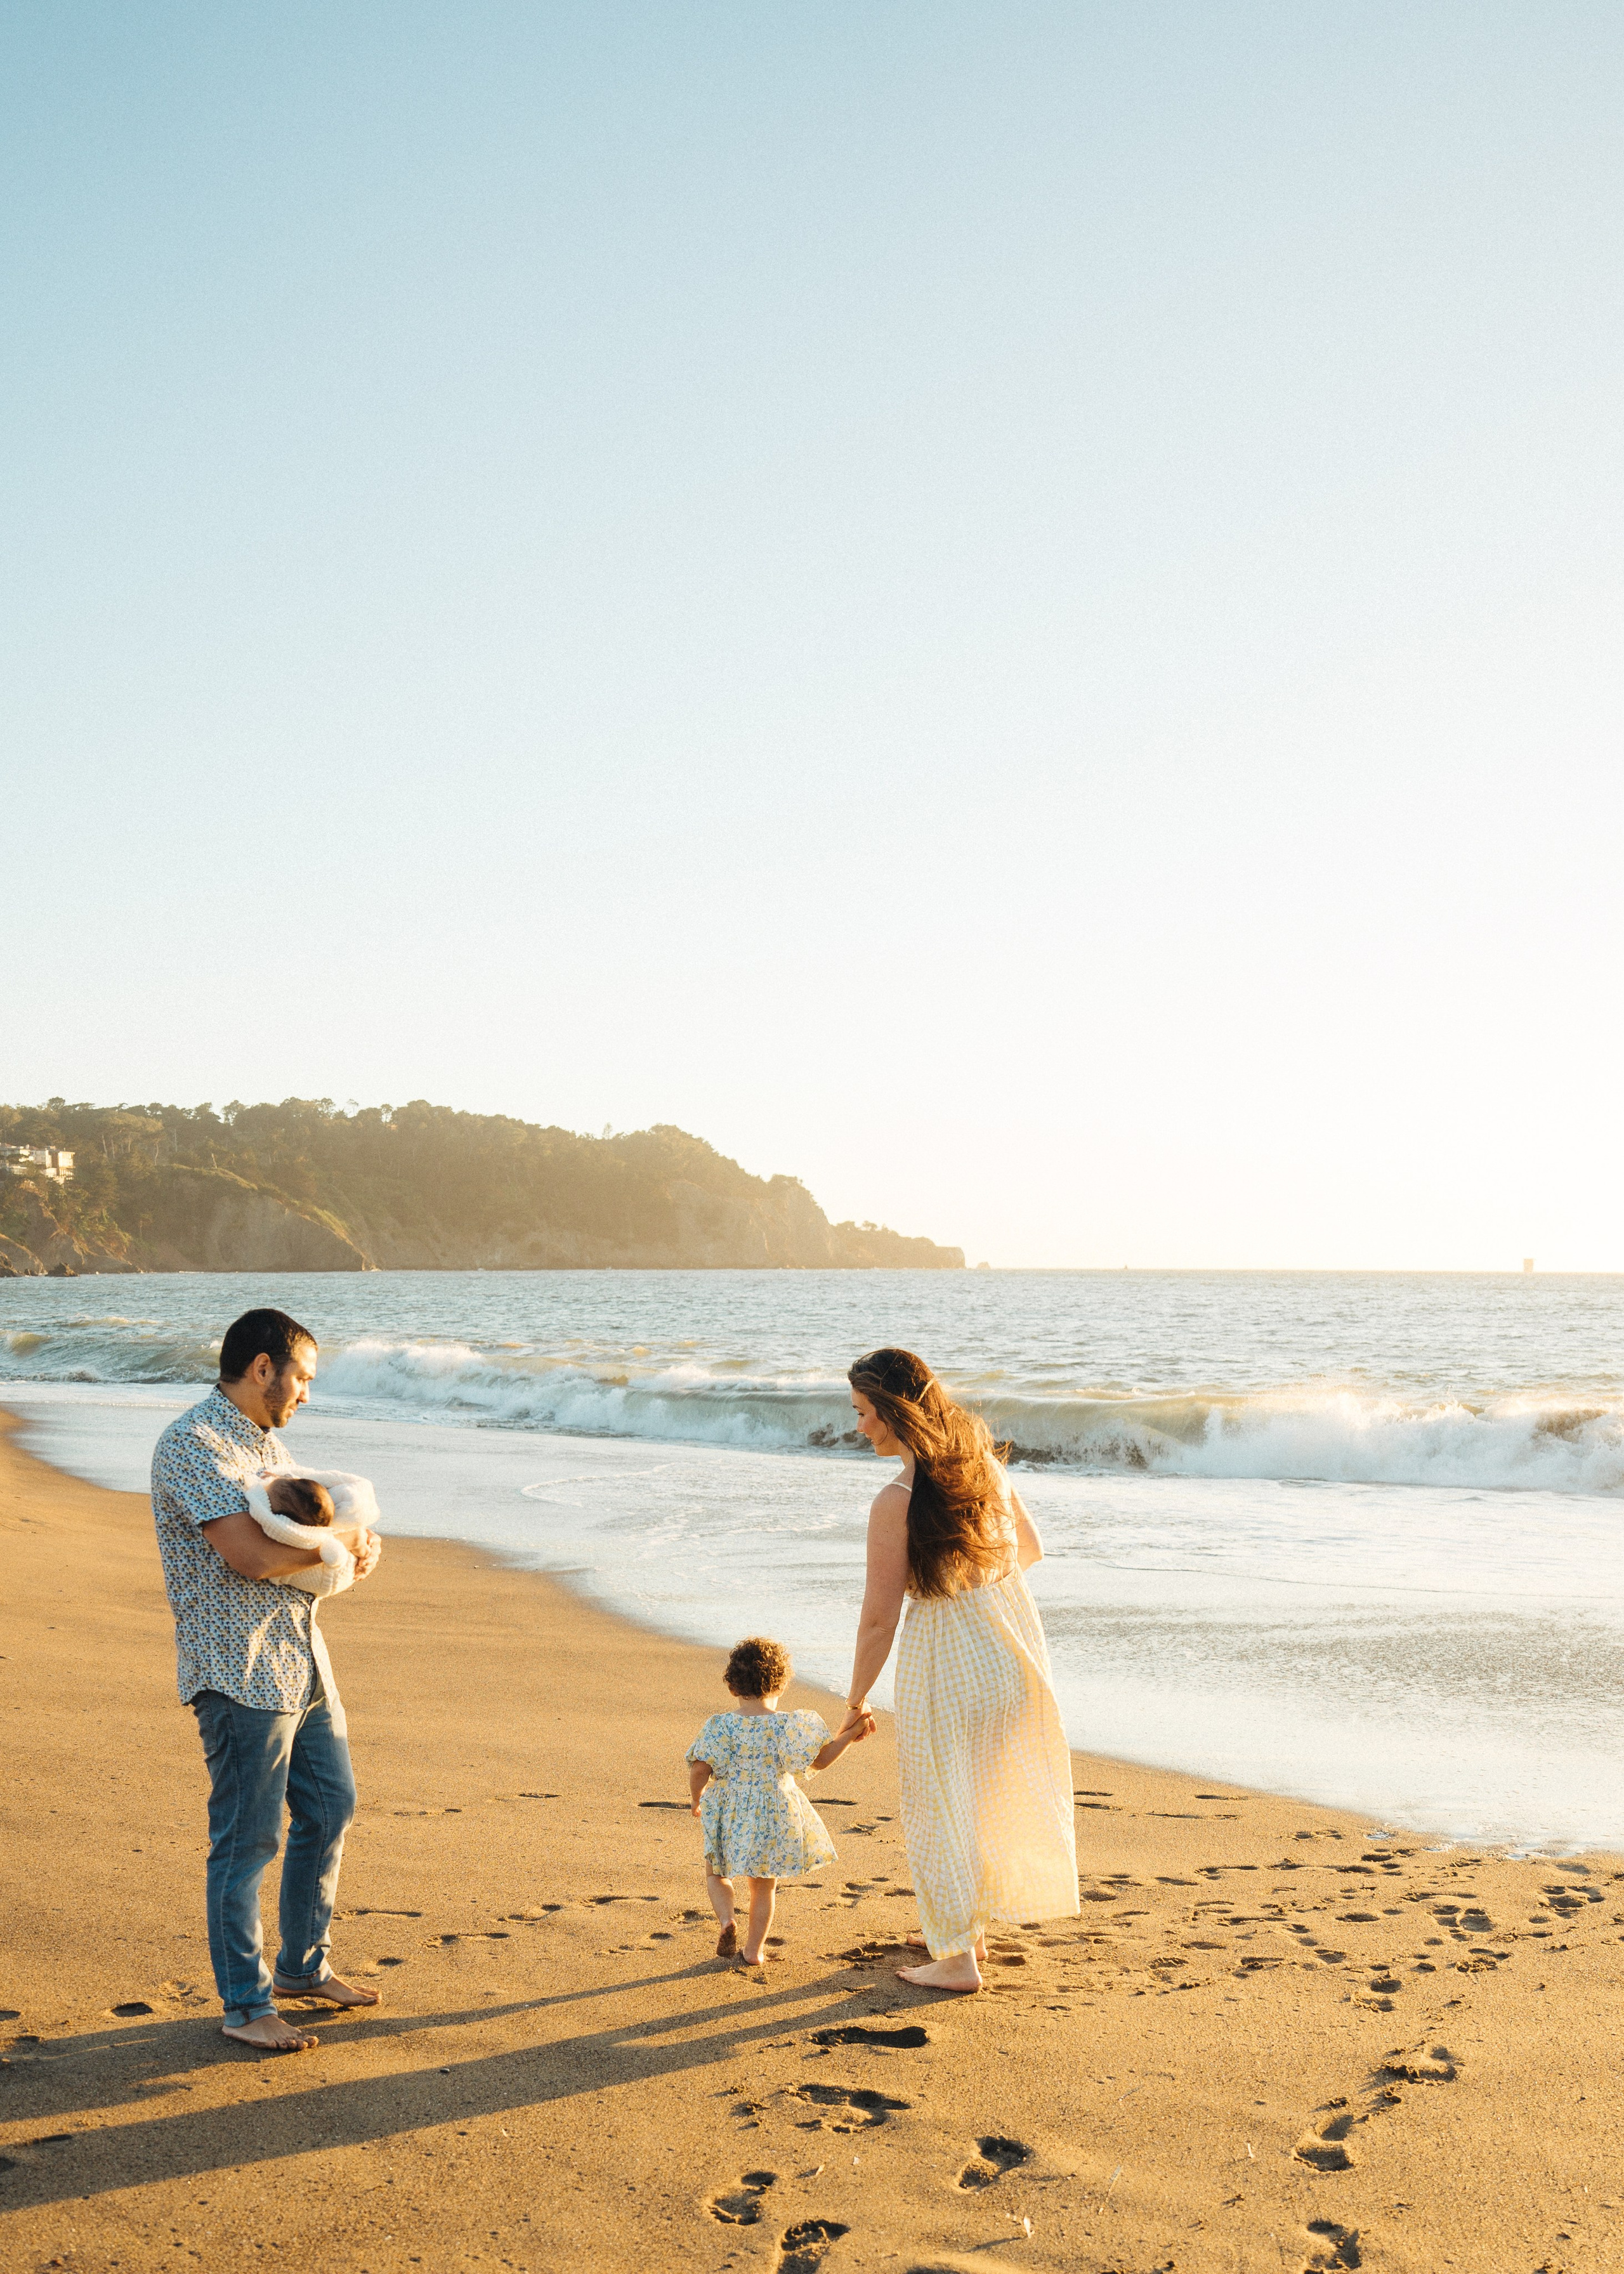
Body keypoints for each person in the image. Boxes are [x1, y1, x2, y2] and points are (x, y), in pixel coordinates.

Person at [150, 1307, 383, 2053]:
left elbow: (302, 1539)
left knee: (331, 1807)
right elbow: (250, 1555)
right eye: (302, 1378)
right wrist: (341, 1545)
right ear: (261, 1368)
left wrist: (343, 1550)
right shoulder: (193, 1443)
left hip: (300, 1657)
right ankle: (245, 2006)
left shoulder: (266, 1447)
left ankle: (302, 1969)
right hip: (237, 1669)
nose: (306, 1394)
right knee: (248, 1841)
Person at [833, 1347, 1078, 1994]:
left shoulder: (897, 1499)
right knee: (981, 1799)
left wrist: (855, 1698)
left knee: (942, 1804)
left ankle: (958, 1961)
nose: (858, 1428)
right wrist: (979, 1593)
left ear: (891, 1410)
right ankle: (966, 1931)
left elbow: (879, 1618)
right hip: (1012, 1646)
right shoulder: (982, 1467)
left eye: (863, 1413)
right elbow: (1030, 1549)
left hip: (946, 1656)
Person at [686, 1635, 870, 1965]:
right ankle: (754, 1951)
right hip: (774, 1810)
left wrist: (695, 1799)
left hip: (730, 1809)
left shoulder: (720, 1726)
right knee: (763, 1887)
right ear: (781, 1686)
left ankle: (727, 1920)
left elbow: (701, 1768)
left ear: (732, 1687)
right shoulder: (790, 1726)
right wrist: (850, 1734)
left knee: (717, 1873)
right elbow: (821, 1760)